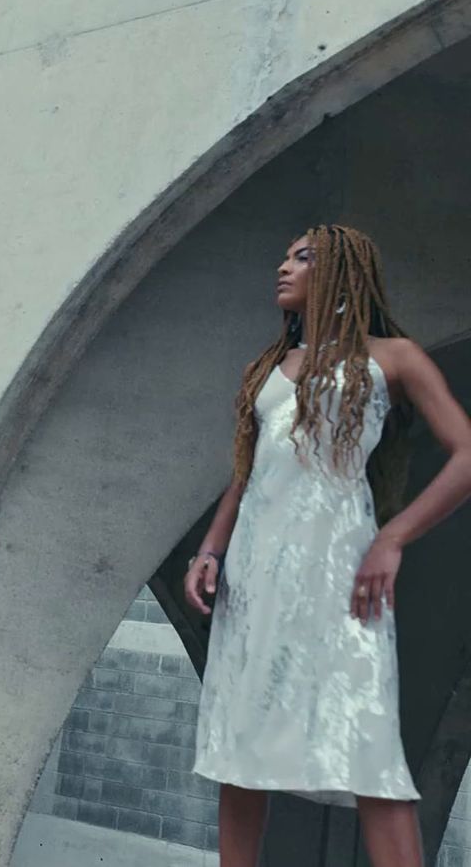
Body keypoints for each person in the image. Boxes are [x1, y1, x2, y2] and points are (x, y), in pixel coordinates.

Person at [184, 225, 471, 867]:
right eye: (283, 254)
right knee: (241, 747)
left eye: (302, 257)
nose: (283, 266)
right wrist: (209, 550)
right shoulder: (268, 368)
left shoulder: (391, 358)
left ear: (341, 272)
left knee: (369, 752)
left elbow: (467, 455)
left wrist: (394, 537)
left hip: (341, 570)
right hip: (255, 577)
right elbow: (248, 471)